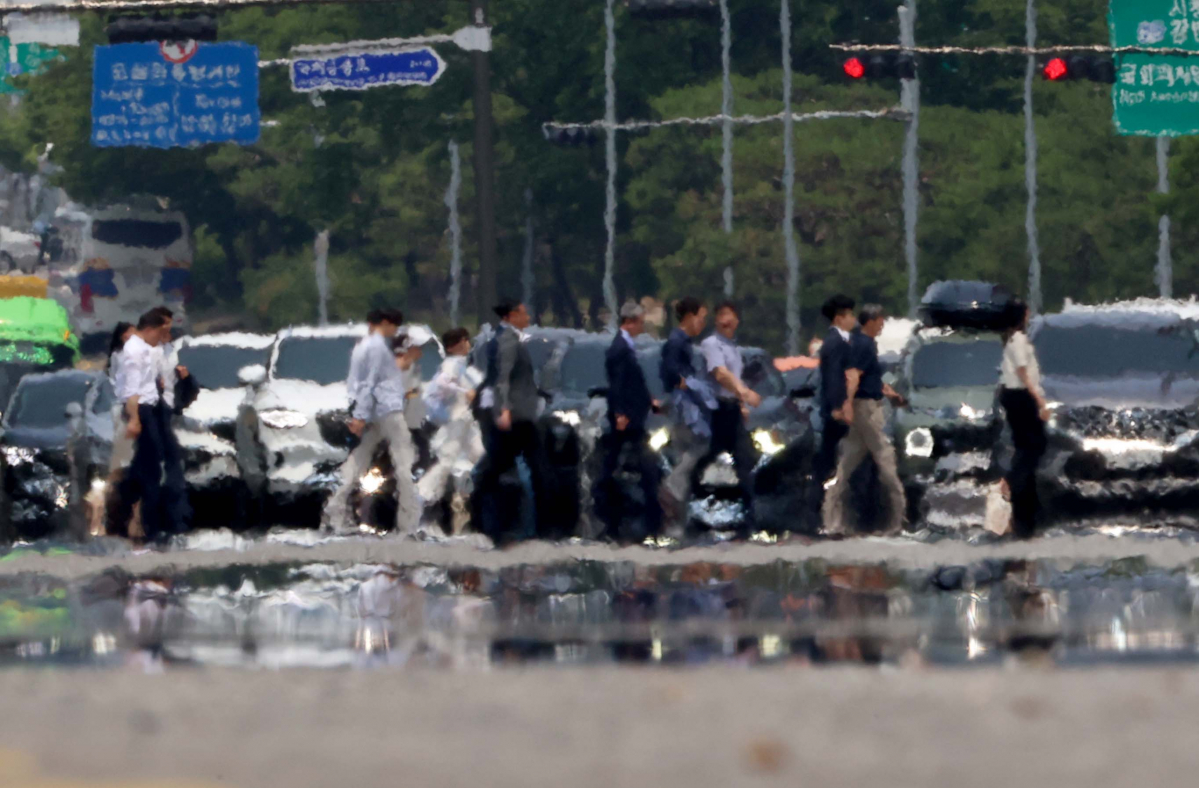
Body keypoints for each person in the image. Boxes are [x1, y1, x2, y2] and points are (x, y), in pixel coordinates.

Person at [321, 307, 421, 536]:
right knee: (404, 463)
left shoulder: (362, 346)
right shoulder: (377, 348)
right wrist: (360, 417)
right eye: (394, 325)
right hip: (386, 410)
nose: (394, 330)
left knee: (357, 461)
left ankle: (334, 511)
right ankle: (409, 524)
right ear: (384, 323)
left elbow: (359, 384)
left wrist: (360, 413)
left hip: (373, 412)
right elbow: (370, 383)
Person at [822, 304, 908, 535]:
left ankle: (831, 521)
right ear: (870, 321)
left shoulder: (862, 343)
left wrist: (891, 394)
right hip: (866, 410)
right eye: (880, 321)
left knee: (846, 465)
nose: (882, 325)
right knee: (886, 459)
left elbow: (870, 379)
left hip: (866, 405)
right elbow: (853, 377)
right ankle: (898, 522)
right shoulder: (863, 344)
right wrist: (847, 404)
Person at [474, 299, 546, 542]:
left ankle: (496, 524)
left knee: (499, 468)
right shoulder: (507, 340)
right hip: (516, 416)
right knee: (527, 469)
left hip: (518, 414)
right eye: (524, 313)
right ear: (511, 316)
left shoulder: (507, 338)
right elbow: (502, 378)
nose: (528, 318)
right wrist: (504, 409)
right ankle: (526, 528)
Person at [595, 301, 661, 541]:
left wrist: (649, 400)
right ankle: (639, 518)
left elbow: (633, 382)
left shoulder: (625, 346)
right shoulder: (620, 348)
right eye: (640, 322)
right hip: (627, 418)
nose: (642, 327)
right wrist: (621, 413)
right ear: (630, 322)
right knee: (626, 465)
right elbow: (619, 385)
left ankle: (621, 517)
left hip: (633, 415)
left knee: (617, 463)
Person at [115, 310, 180, 542]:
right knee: (151, 468)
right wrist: (134, 419)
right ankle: (151, 527)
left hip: (149, 408)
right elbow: (132, 391)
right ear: (150, 329)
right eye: (163, 331)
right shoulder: (134, 351)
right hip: (141, 410)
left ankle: (123, 509)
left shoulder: (146, 349)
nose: (166, 336)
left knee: (143, 467)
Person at [698, 300, 761, 531]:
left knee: (745, 461)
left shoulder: (734, 348)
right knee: (700, 460)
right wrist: (745, 393)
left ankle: (750, 519)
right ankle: (680, 507)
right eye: (722, 314)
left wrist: (741, 402)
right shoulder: (711, 344)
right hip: (715, 412)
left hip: (731, 409)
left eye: (730, 315)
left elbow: (734, 376)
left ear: (737, 320)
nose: (726, 319)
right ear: (716, 320)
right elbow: (720, 374)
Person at [419, 328, 485, 535]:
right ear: (453, 346)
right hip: (457, 419)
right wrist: (465, 392)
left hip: (465, 421)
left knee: (481, 455)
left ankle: (483, 497)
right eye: (464, 340)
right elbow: (441, 384)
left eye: (467, 339)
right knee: (448, 459)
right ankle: (422, 495)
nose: (468, 343)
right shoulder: (452, 364)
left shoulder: (462, 365)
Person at [658, 296, 716, 527]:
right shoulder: (677, 342)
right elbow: (671, 374)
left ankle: (677, 517)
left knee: (685, 455)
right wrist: (690, 384)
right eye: (701, 318)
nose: (703, 323)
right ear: (690, 316)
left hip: (684, 406)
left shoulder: (681, 342)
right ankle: (672, 489)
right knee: (699, 446)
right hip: (686, 410)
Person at [999, 298, 1048, 539]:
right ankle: (1008, 482)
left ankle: (1027, 511)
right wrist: (1039, 401)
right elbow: (1022, 373)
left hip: (1015, 395)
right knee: (1033, 446)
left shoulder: (1013, 339)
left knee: (1026, 448)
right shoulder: (1017, 340)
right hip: (1021, 397)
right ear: (1023, 315)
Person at [811, 295, 857, 519]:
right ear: (839, 318)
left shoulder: (840, 341)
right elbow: (833, 378)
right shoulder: (835, 343)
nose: (853, 319)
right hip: (836, 412)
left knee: (831, 459)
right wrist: (839, 406)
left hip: (836, 410)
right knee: (831, 461)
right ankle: (822, 512)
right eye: (850, 315)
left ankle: (825, 510)